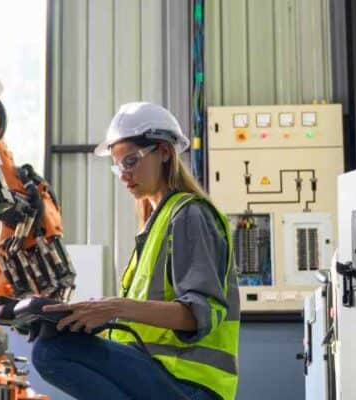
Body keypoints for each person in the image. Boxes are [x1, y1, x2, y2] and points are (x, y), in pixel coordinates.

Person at [30, 102, 240, 400]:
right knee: (54, 341)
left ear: (165, 152)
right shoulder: (155, 225)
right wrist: (71, 323)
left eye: (131, 161)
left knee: (51, 352)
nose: (124, 175)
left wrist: (113, 307)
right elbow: (141, 331)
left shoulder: (189, 215)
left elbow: (197, 315)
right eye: (118, 167)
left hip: (191, 385)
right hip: (161, 375)